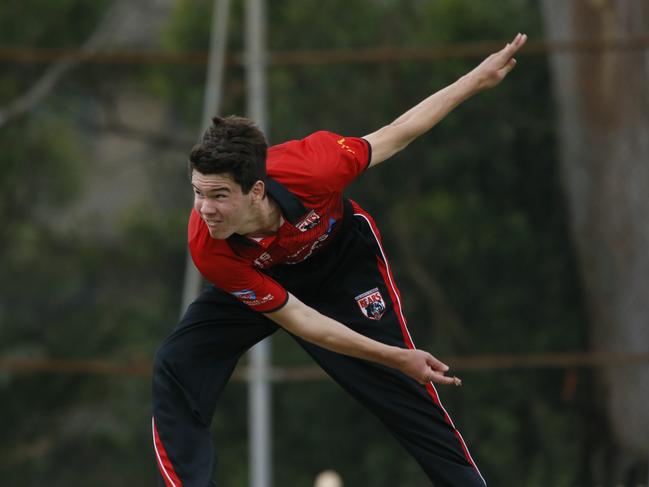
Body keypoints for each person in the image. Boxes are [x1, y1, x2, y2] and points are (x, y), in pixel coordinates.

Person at [152, 33, 528, 487]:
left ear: (256, 190)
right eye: (197, 193)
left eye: (219, 196)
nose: (205, 209)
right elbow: (303, 321)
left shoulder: (315, 167)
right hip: (259, 276)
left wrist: (476, 78)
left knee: (404, 385)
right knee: (177, 362)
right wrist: (394, 355)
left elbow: (397, 134)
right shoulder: (209, 244)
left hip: (341, 261)